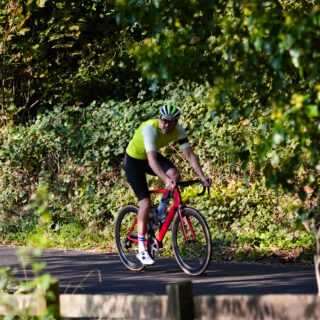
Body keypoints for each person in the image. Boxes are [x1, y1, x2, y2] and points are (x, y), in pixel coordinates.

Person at [123, 105, 211, 265]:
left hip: (151, 158)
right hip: (134, 161)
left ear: (176, 122)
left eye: (171, 122)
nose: (167, 125)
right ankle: (142, 250)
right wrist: (165, 179)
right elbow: (152, 161)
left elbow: (190, 155)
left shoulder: (178, 130)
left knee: (175, 175)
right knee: (145, 202)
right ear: (159, 118)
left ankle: (161, 212)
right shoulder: (150, 129)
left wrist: (202, 176)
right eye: (164, 121)